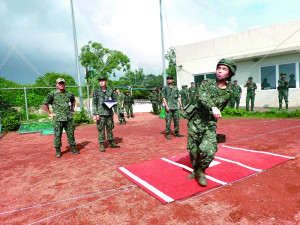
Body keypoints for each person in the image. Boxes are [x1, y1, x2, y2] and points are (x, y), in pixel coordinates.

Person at [185, 58, 236, 187]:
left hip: (209, 124)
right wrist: (212, 107)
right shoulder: (207, 82)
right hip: (196, 121)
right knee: (193, 150)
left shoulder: (229, 92)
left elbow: (221, 107)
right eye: (219, 68)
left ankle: (200, 171)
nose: (220, 71)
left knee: (210, 151)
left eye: (224, 69)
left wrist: (215, 111)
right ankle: (196, 169)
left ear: (229, 74)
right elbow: (202, 97)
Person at [43, 78, 79, 158]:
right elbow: (45, 104)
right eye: (60, 83)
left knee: (71, 133)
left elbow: (73, 101)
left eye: (63, 83)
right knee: (57, 135)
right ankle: (58, 151)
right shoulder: (52, 94)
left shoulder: (69, 93)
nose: (61, 84)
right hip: (58, 118)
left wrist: (72, 110)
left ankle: (73, 148)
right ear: (56, 84)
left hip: (68, 118)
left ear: (65, 84)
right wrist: (49, 113)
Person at [92, 76, 120, 152]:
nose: (101, 82)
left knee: (110, 128)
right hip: (100, 114)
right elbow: (94, 103)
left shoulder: (110, 91)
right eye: (100, 81)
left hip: (109, 113)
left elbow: (116, 100)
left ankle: (111, 143)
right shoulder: (96, 91)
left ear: (106, 81)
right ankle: (102, 144)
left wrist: (114, 106)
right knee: (101, 129)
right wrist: (96, 113)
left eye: (103, 80)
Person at [162, 75, 184, 140]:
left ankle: (176, 132)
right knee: (168, 121)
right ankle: (168, 133)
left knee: (176, 120)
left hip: (175, 107)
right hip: (168, 107)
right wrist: (166, 106)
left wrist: (181, 105)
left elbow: (178, 97)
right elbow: (163, 97)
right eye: (168, 79)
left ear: (173, 80)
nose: (169, 80)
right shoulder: (165, 88)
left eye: (170, 79)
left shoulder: (175, 88)